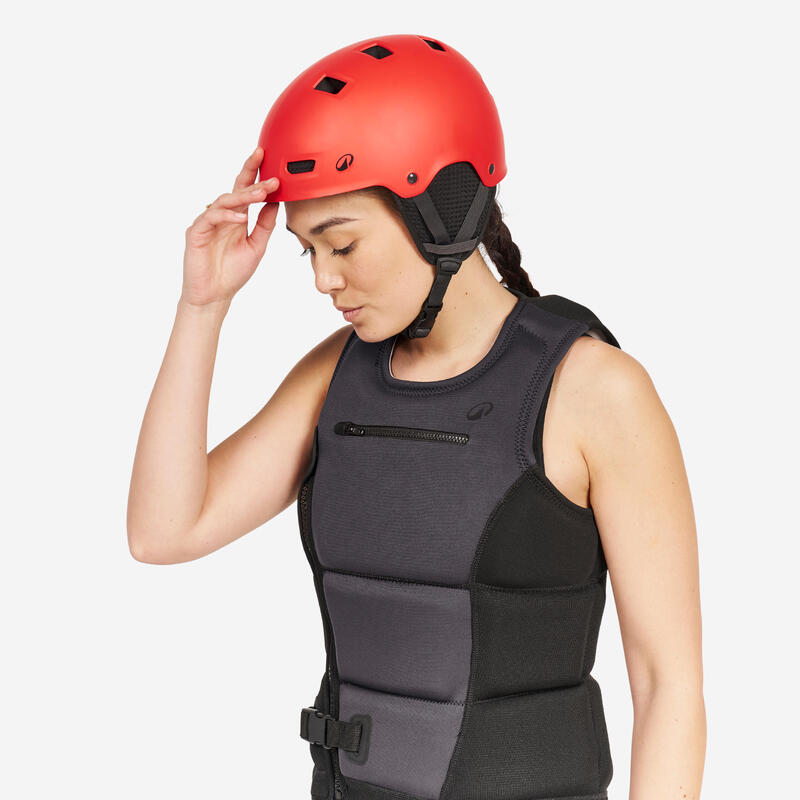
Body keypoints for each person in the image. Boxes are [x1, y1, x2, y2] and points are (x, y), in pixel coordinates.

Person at [127, 34, 705, 800]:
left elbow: (667, 684)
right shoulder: (336, 376)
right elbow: (163, 531)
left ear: (443, 210)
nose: (323, 279)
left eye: (342, 244)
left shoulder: (596, 392)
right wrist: (202, 307)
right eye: (306, 252)